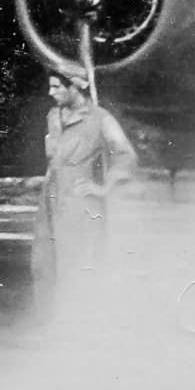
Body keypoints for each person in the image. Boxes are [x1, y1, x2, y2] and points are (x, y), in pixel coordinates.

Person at [33, 71, 138, 301]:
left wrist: (103, 188)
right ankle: (51, 324)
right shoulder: (53, 116)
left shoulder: (101, 118)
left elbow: (126, 155)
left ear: (75, 87)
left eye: (56, 86)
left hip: (80, 203)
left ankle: (81, 322)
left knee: (80, 264)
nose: (51, 93)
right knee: (44, 263)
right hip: (50, 199)